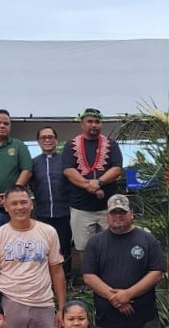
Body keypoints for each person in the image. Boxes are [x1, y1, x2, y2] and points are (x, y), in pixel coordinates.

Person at [83, 194, 167, 328]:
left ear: (131, 214)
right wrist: (115, 297)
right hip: (108, 322)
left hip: (144, 321)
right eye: (114, 213)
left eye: (122, 212)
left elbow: (157, 273)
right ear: (107, 216)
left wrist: (128, 294)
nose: (118, 216)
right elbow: (89, 276)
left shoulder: (147, 240)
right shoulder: (95, 243)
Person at [0, 185, 68, 328]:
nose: (19, 207)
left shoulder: (48, 232)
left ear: (31, 204)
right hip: (11, 302)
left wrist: (62, 307)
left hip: (43, 303)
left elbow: (57, 271)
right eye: (14, 204)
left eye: (23, 202)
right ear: (6, 207)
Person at [63, 108, 125, 271]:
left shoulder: (111, 145)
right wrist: (89, 186)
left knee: (114, 244)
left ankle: (113, 275)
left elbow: (117, 169)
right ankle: (90, 281)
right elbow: (68, 171)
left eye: (97, 121)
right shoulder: (71, 145)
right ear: (82, 124)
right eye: (90, 121)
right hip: (80, 208)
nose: (94, 125)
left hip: (108, 208)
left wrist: (99, 182)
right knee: (84, 248)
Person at [29, 125, 74, 276]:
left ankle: (66, 279)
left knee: (64, 246)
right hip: (42, 213)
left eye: (50, 137)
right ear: (38, 141)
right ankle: (46, 278)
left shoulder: (65, 161)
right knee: (44, 247)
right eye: (44, 138)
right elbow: (32, 184)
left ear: (56, 140)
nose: (47, 140)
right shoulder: (33, 163)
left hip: (64, 212)